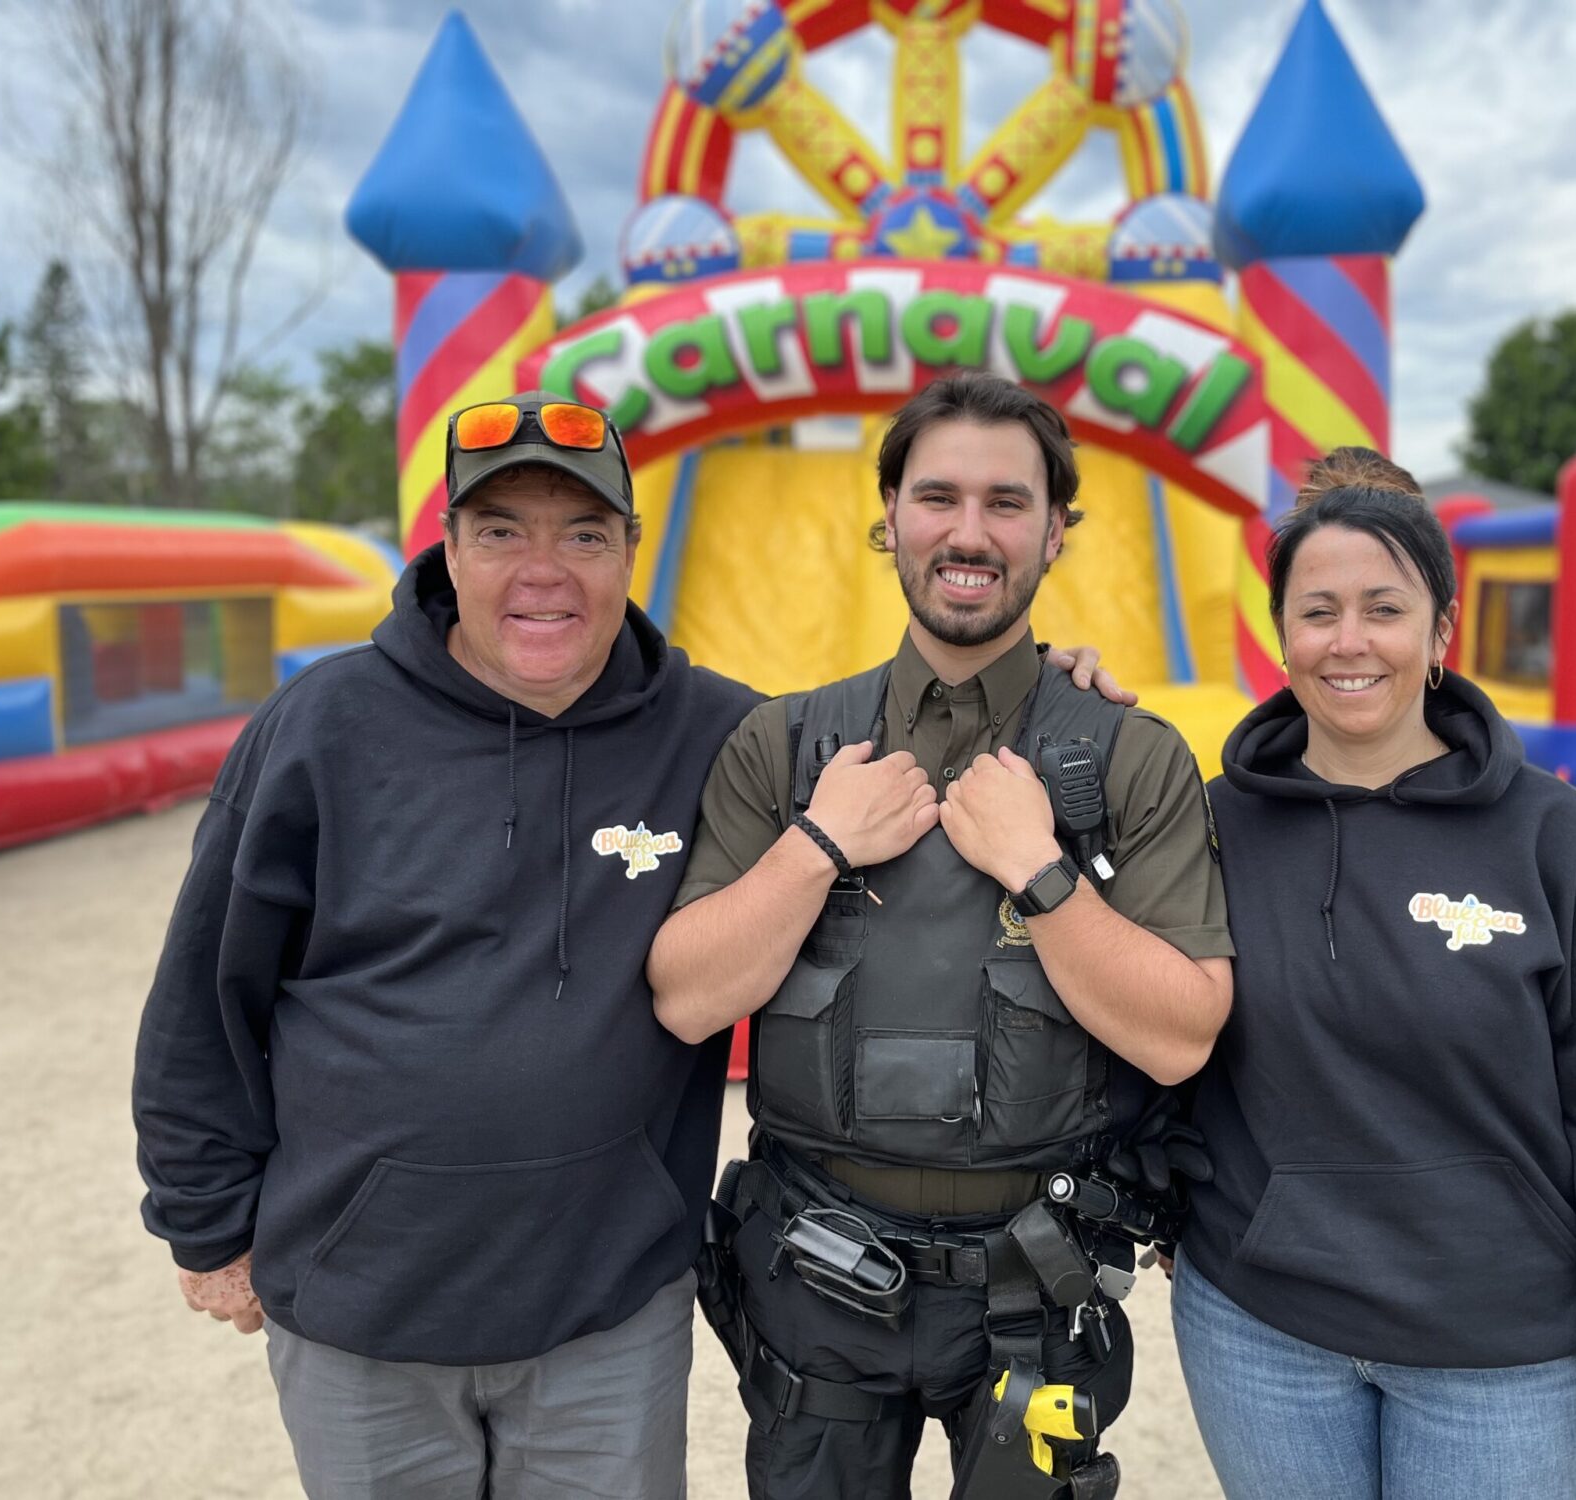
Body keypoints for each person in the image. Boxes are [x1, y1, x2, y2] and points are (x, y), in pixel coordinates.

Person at [132, 390, 1127, 1500]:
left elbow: (911, 729)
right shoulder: (321, 726)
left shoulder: (716, 730)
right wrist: (203, 1225)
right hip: (364, 1306)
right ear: (449, 549)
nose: (543, 572)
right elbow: (203, 994)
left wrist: (1048, 694)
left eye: (583, 535)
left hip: (607, 1310)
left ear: (631, 550)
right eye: (500, 532)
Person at [647, 371, 1235, 1500]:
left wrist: (1043, 874)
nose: (970, 533)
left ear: (1056, 531)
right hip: (816, 1286)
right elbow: (685, 997)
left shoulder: (1130, 758)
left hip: (1039, 1292)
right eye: (938, 497)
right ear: (889, 517)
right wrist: (818, 845)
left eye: (1007, 502)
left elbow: (1179, 1039)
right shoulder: (784, 745)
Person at [1172, 448, 1576, 1500]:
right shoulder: (1211, 825)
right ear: (1281, 635)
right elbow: (1165, 1039)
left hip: (1506, 1359)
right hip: (1260, 1333)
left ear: (1439, 633)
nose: (1349, 641)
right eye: (1318, 612)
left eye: (1384, 610)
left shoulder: (1550, 837)